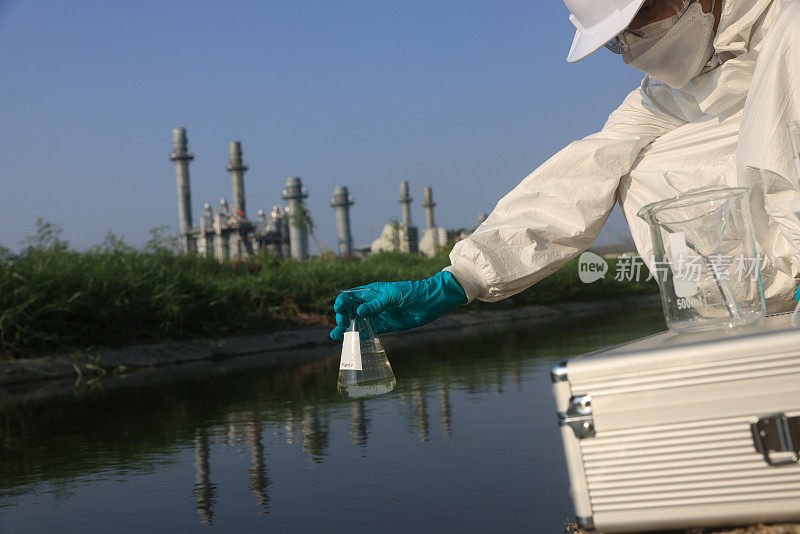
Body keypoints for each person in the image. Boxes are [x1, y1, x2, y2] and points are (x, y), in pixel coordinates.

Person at [331, 0, 800, 341]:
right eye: (617, 41)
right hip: (771, 304)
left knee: (769, 123)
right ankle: (747, 315)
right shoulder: (690, 84)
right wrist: (461, 280)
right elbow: (588, 168)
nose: (630, 49)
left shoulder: (789, 25)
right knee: (640, 162)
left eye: (632, 28)